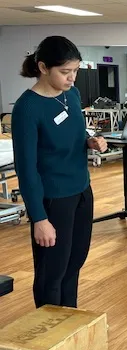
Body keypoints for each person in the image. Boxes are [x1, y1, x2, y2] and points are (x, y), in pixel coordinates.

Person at [11, 36, 107, 309]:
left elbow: (75, 133)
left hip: (81, 192)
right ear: (43, 67)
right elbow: (26, 169)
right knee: (51, 273)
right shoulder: (27, 108)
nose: (72, 78)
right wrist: (39, 218)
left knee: (74, 264)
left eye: (75, 70)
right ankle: (49, 331)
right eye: (65, 71)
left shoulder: (71, 95)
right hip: (53, 200)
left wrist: (90, 141)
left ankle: (70, 325)